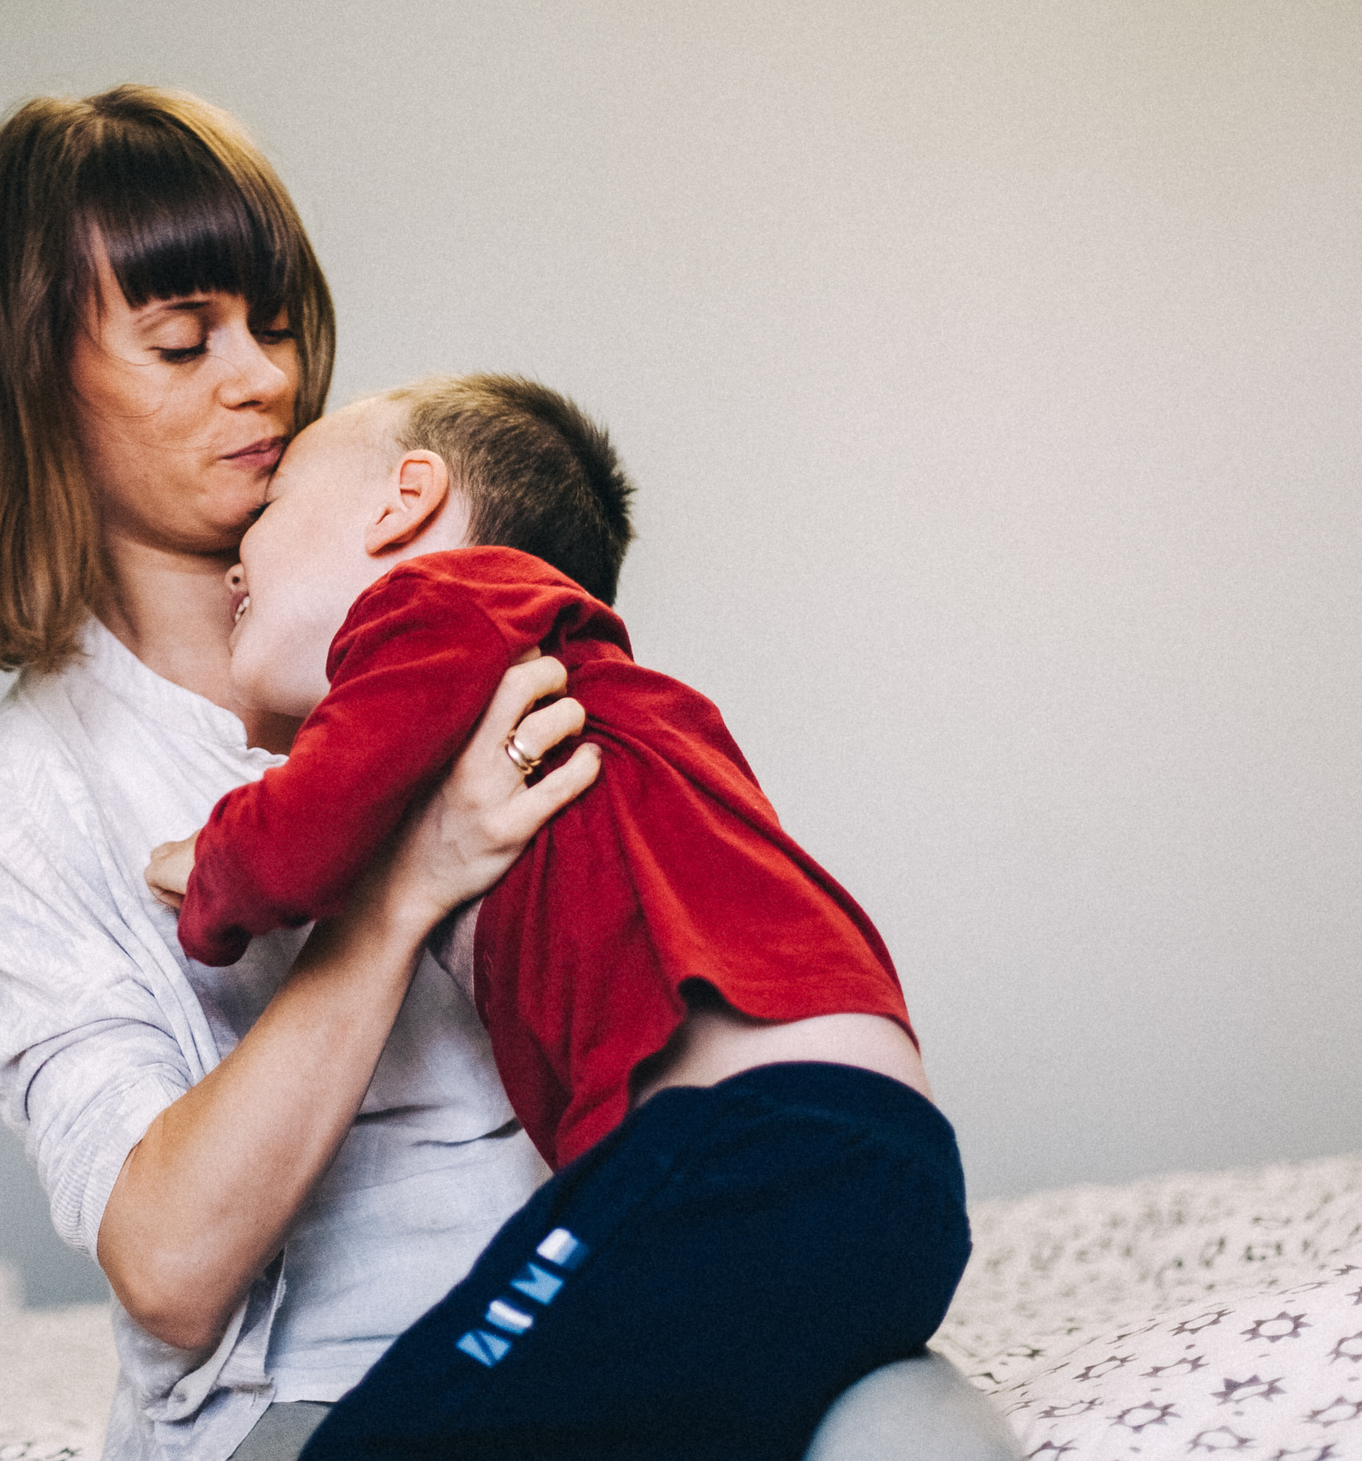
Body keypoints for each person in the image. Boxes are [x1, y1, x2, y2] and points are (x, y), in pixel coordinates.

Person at [0, 85, 1020, 1461]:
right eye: (184, 340)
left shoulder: (429, 613)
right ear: (32, 381)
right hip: (317, 1389)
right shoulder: (30, 796)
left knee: (922, 1427)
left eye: (277, 323)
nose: (260, 377)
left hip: (627, 1292)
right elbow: (170, 1269)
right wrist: (406, 883)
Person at [145, 375, 970, 1459]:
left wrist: (210, 866)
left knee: (403, 1430)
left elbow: (307, 825)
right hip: (893, 1176)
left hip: (745, 1144)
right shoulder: (587, 693)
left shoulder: (443, 600)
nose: (237, 555)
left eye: (272, 505)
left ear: (404, 504)